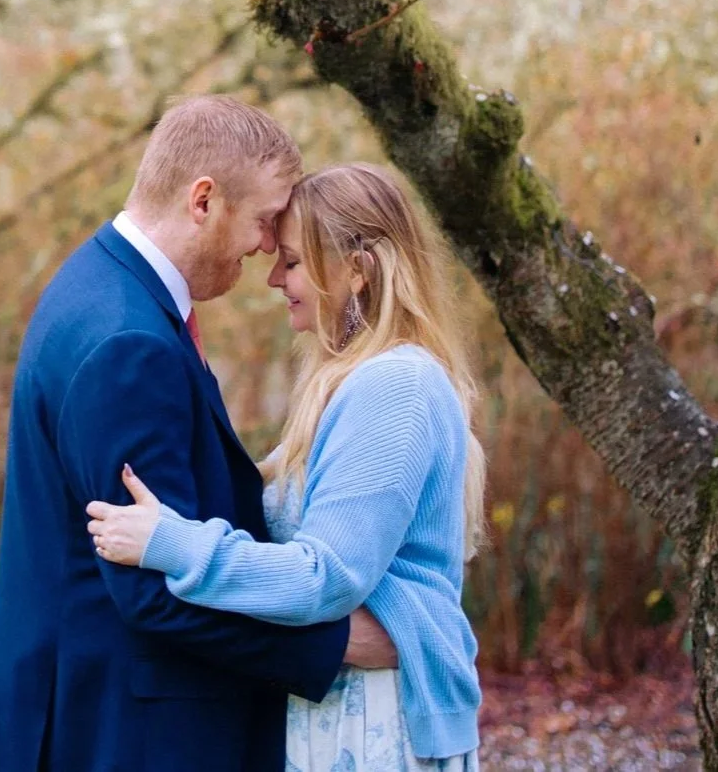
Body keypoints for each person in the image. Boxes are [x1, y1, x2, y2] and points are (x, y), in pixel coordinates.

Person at [0, 98, 399, 772]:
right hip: (126, 732)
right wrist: (334, 642)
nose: (268, 247)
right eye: (264, 220)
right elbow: (152, 586)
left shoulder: (99, 284)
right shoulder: (127, 343)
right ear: (203, 200)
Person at [87, 163, 483, 772]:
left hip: (376, 720)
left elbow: (325, 578)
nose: (274, 277)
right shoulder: (347, 384)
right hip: (334, 704)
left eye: (293, 261)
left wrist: (171, 542)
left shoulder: (396, 386)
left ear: (358, 270)